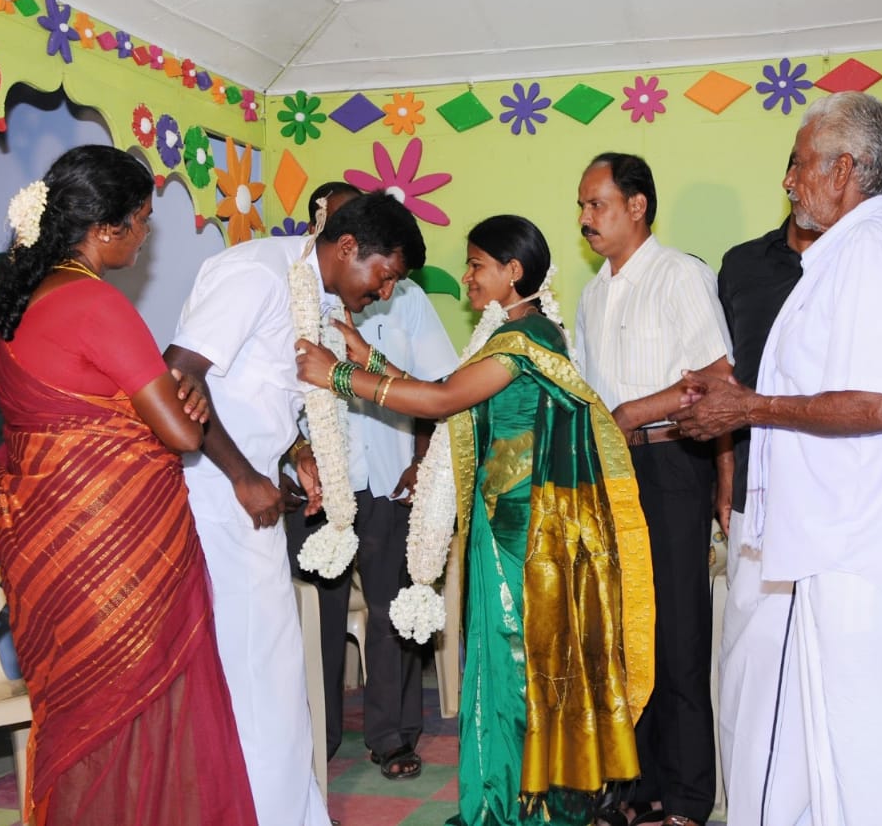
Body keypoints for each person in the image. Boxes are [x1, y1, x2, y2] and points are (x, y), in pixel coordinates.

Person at [295, 214, 654, 826]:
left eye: (477, 266)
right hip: (500, 526)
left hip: (525, 534)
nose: (466, 279)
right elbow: (453, 398)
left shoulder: (528, 339)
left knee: (517, 664)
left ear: (514, 273)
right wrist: (372, 356)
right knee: (496, 660)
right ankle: (505, 793)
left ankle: (523, 804)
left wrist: (340, 375)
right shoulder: (510, 336)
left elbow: (440, 402)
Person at [675, 91, 882, 825]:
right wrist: (741, 391)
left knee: (874, 757)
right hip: (834, 546)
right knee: (831, 752)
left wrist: (752, 407)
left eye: (799, 165)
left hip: (858, 549)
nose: (790, 181)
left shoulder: (872, 250)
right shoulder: (849, 253)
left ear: (845, 169)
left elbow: (880, 404)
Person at [0, 145, 258, 826]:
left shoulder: (15, 310)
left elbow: (65, 429)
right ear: (105, 229)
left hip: (49, 557)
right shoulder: (98, 305)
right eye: (141, 221)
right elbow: (181, 436)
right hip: (119, 558)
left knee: (78, 719)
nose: (144, 237)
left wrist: (164, 402)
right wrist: (181, 402)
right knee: (142, 707)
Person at [164, 192, 426, 826]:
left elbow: (259, 393)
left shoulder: (316, 294)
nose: (385, 293)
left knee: (276, 671)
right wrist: (243, 474)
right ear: (344, 249)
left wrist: (298, 451)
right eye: (383, 274)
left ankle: (289, 811)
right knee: (256, 674)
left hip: (250, 498)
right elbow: (176, 375)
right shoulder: (256, 273)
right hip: (213, 498)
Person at [574, 153, 732, 826]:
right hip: (610, 476)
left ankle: (690, 798)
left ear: (637, 206)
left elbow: (716, 376)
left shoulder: (681, 276)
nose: (585, 219)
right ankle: (637, 788)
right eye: (581, 206)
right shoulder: (592, 293)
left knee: (677, 636)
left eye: (597, 204)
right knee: (623, 639)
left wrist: (634, 412)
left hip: (668, 469)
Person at [292, 181, 459, 776]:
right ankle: (319, 738)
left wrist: (420, 461)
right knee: (318, 619)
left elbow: (439, 387)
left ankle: (393, 737)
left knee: (394, 611)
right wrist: (298, 448)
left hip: (388, 478)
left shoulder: (405, 296)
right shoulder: (293, 293)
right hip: (313, 491)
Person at [712, 194, 819, 823]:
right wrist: (726, 472)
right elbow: (728, 381)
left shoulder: (857, 259)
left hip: (839, 495)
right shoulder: (743, 265)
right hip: (755, 486)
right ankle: (751, 806)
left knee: (824, 667)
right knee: (749, 662)